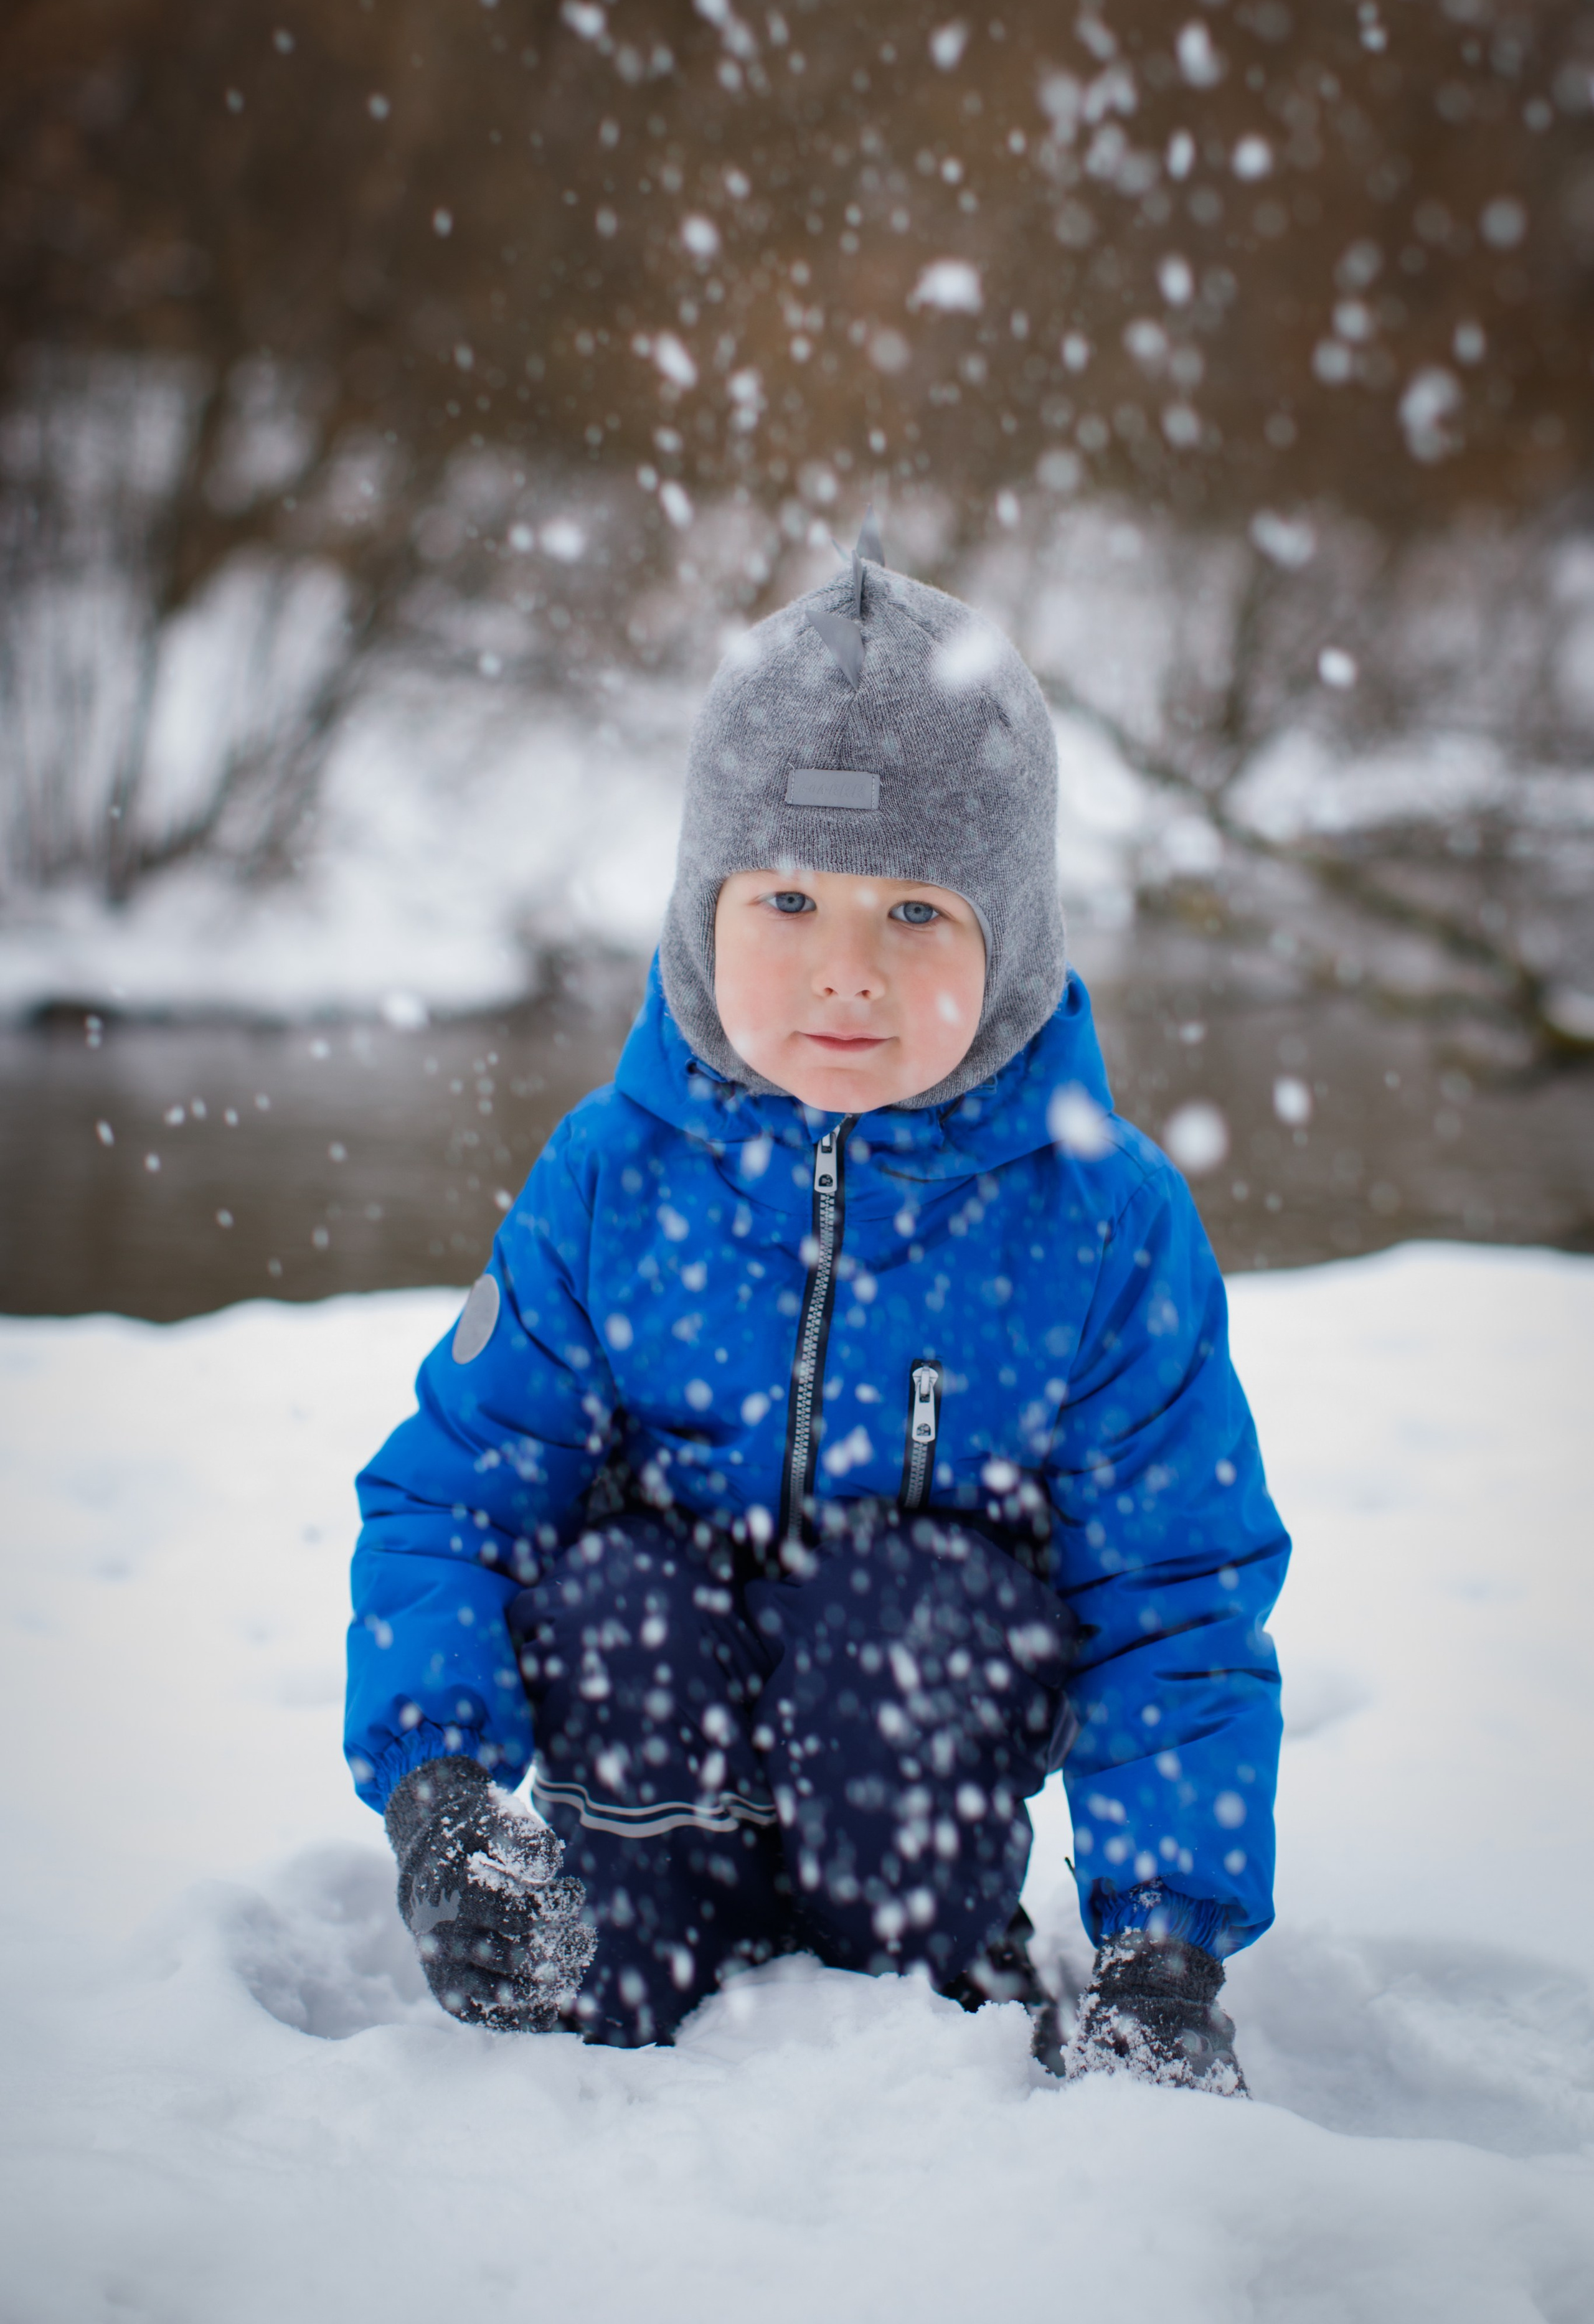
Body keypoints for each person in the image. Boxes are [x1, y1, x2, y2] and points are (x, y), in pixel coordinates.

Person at [346, 512, 1289, 2092]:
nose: (844, 971)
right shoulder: (611, 1178)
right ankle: (608, 1980)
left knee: (903, 1608)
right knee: (618, 1594)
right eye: (786, 902)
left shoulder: (1101, 1221)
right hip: (646, 1797)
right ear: (701, 916)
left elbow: (1173, 1595)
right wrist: (439, 1799)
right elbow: (453, 1501)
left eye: (913, 911)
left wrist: (1162, 1946)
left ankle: (916, 1997)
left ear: (1009, 940)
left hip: (916, 1812)